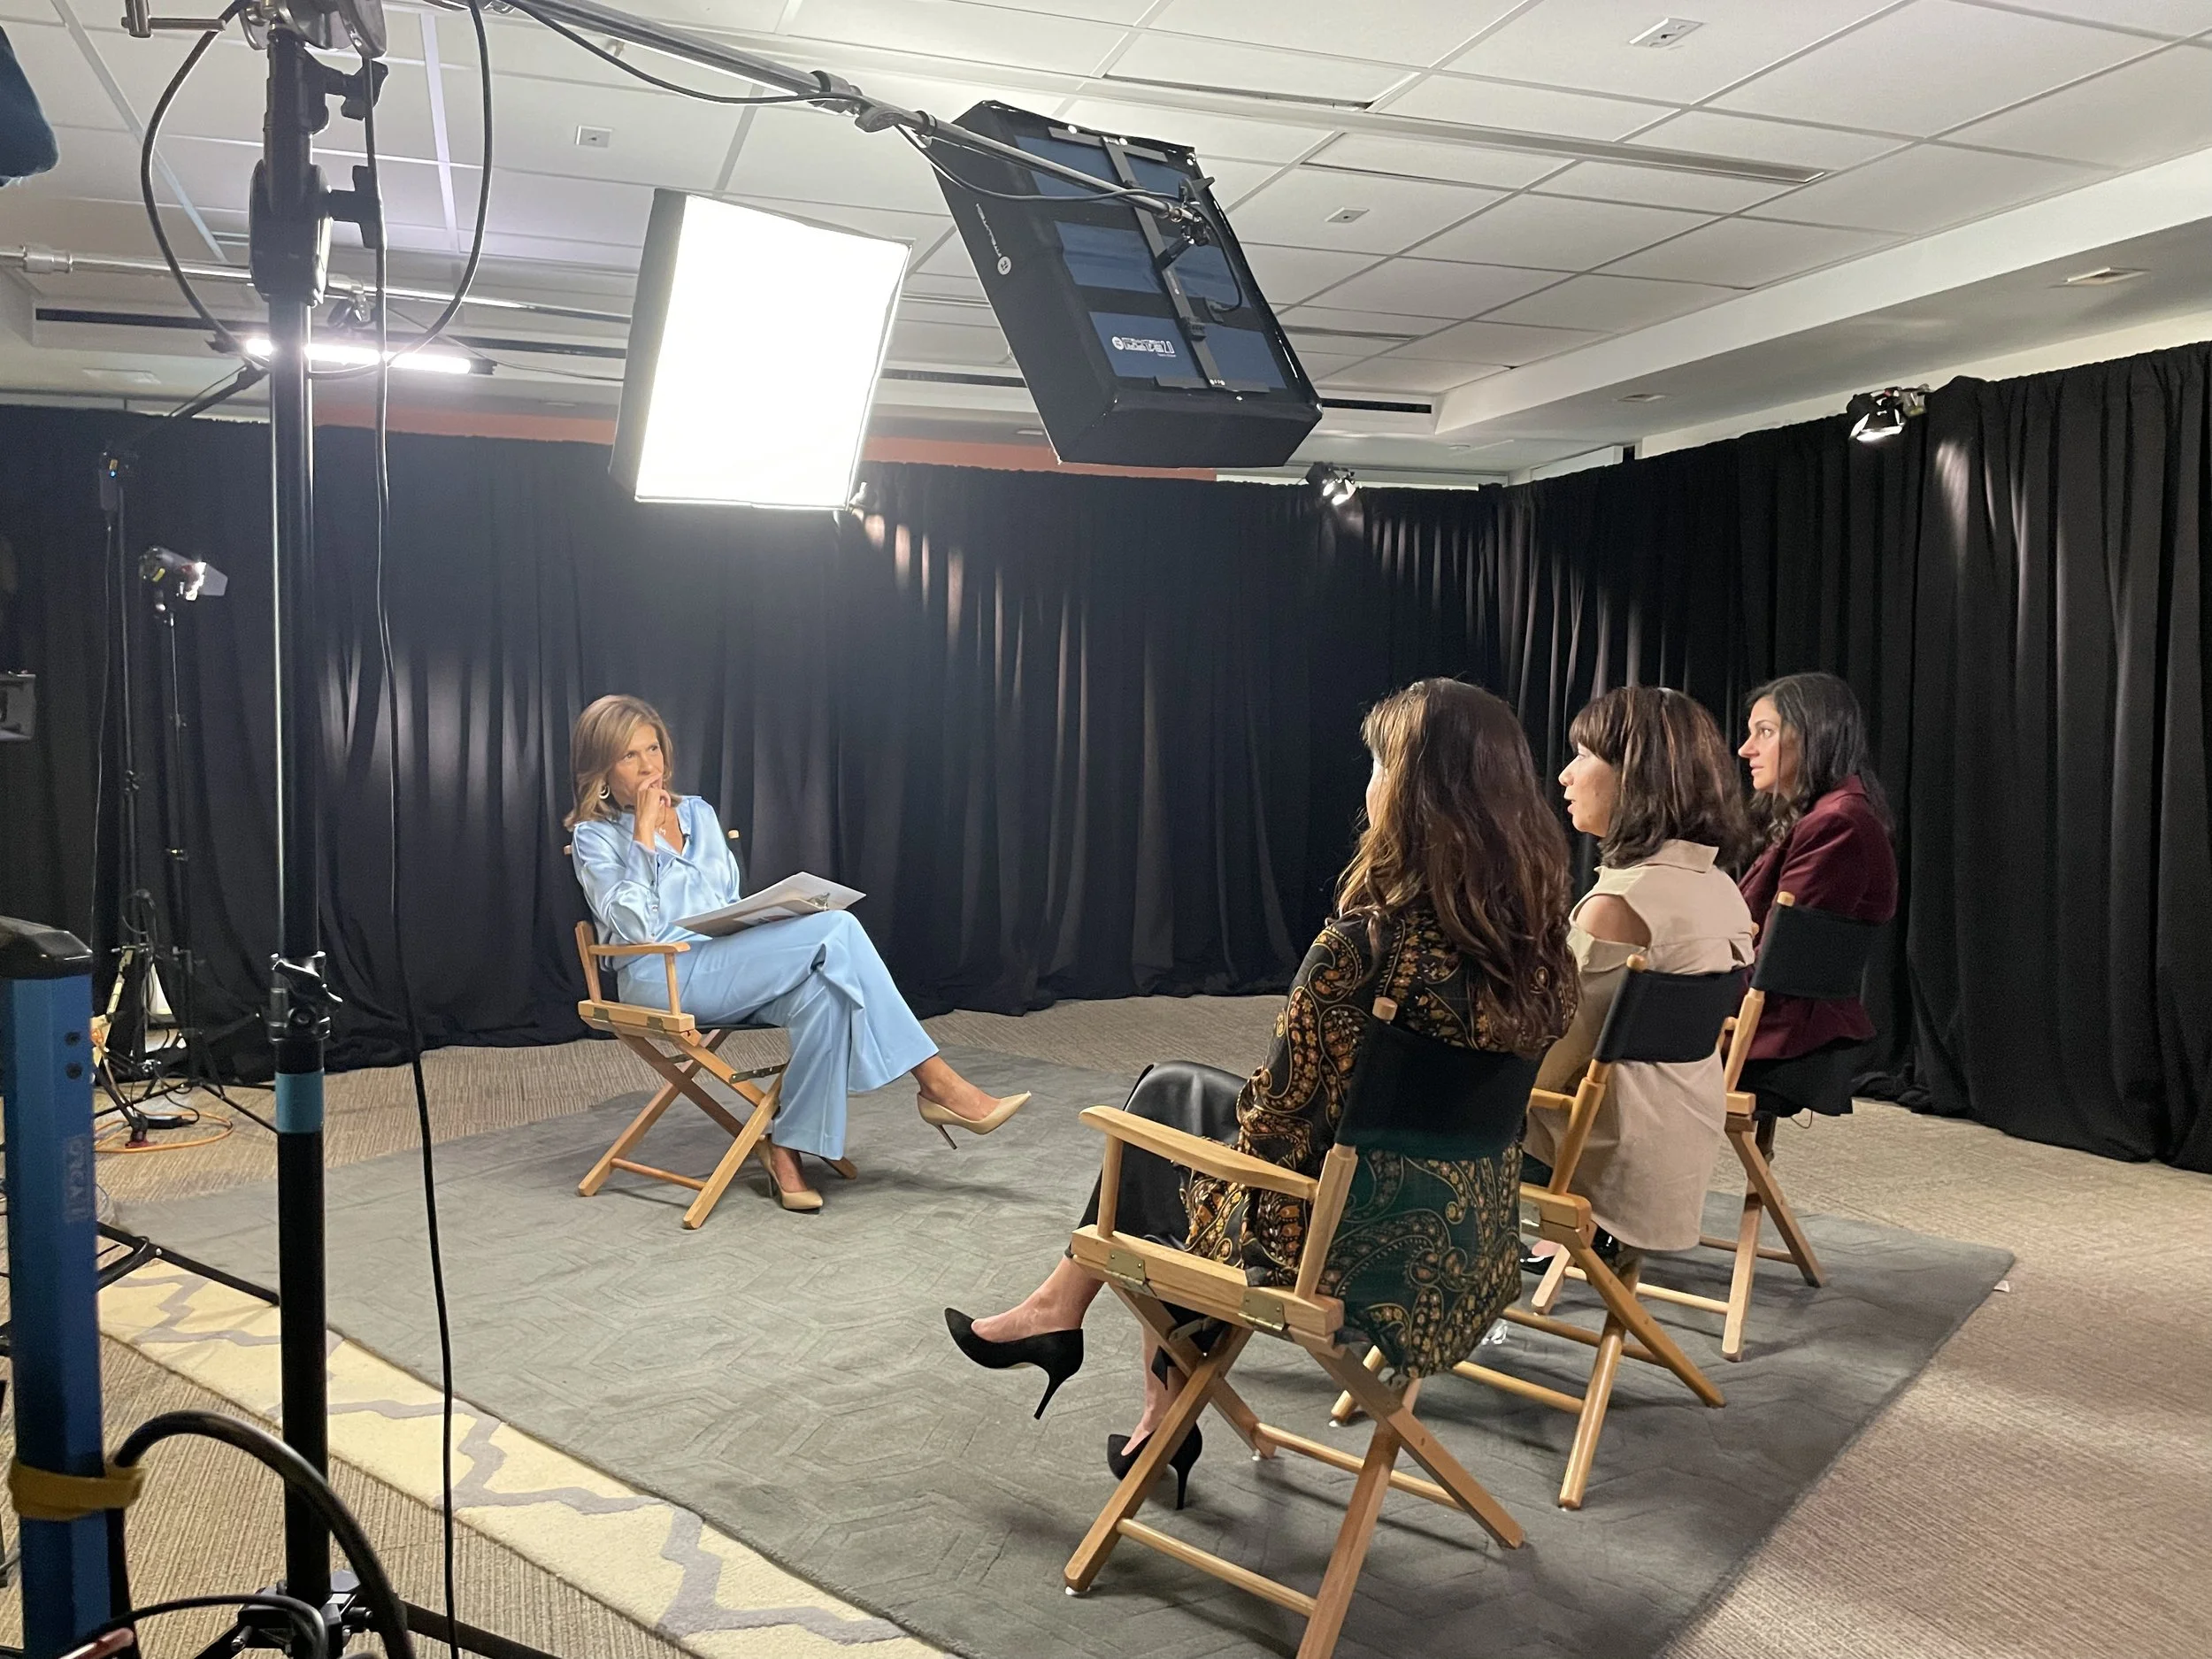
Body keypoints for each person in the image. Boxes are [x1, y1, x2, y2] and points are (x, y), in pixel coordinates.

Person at [943, 680, 1578, 1502]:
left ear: (1420, 798)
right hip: (1462, 1239)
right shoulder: (1542, 953)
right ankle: (1125, 1381)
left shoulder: (1362, 951)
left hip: (1338, 1251)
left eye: (1381, 767)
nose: (1369, 786)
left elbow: (1273, 1131)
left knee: (1154, 1144)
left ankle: (1089, 1342)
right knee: (1171, 1090)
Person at [566, 694, 1029, 1211]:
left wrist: (761, 918)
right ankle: (937, 1082)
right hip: (661, 976)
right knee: (838, 928)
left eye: (652, 748)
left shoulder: (698, 812)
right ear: (602, 772)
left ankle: (787, 1147)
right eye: (629, 756)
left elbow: (725, 902)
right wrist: (643, 839)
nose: (648, 766)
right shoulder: (593, 837)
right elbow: (635, 927)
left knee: (826, 995)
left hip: (726, 961)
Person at [1524, 687, 1755, 1263]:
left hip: (1601, 1158)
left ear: (1634, 777)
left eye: (1583, 756)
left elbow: (1546, 1060)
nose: (1564, 775)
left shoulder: (1621, 903)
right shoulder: (1720, 889)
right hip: (1678, 1144)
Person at [1735, 672, 1899, 1118]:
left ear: (1813, 734)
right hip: (1768, 1026)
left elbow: (1777, 964)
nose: (1746, 749)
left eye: (1764, 732)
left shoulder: (1837, 823)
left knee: (1613, 1032)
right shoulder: (1828, 815)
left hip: (1778, 1045)